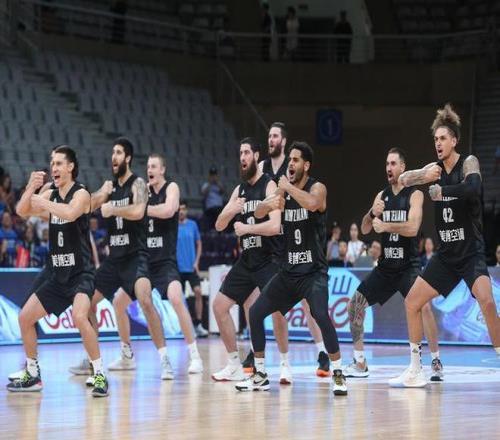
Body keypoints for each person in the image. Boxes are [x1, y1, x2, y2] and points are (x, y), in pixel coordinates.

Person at [390, 104, 500, 388]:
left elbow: (473, 189)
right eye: (435, 139)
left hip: (470, 251)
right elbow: (403, 179)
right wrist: (419, 175)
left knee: (487, 302)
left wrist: (442, 191)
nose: (438, 143)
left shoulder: (469, 163)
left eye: (443, 138)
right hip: (446, 255)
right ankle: (415, 369)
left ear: (454, 140)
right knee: (412, 302)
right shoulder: (435, 170)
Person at [236, 141, 347, 395]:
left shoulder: (317, 187)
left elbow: (312, 203)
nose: (291, 164)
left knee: (320, 315)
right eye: (290, 160)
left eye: (295, 160)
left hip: (313, 272)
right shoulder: (284, 191)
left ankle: (339, 373)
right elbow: (260, 213)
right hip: (288, 272)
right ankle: (260, 374)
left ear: (306, 165)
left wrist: (287, 188)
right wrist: (272, 201)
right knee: (255, 313)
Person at [8, 145, 108, 397]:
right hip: (58, 274)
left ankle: (99, 374)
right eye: (52, 163)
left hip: (80, 273)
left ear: (71, 167)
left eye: (59, 163)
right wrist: (31, 188)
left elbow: (71, 213)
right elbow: (21, 211)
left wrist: (43, 201)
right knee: (24, 318)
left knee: (79, 316)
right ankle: (33, 374)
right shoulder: (51, 194)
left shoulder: (81, 193)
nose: (54, 168)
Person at [70, 137, 172, 381]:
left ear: (127, 158)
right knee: (86, 302)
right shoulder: (110, 187)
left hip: (136, 256)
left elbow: (138, 211)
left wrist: (113, 209)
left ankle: (164, 359)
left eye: (118, 153)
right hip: (113, 260)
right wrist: (100, 194)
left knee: (145, 299)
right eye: (112, 153)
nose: (113, 157)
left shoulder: (138, 184)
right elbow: (86, 206)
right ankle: (95, 360)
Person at [345, 148, 442, 382]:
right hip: (386, 267)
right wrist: (372, 213)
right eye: (387, 164)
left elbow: (413, 228)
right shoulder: (382, 195)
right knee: (354, 306)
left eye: (393, 163)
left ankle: (436, 360)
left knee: (424, 308)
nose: (388, 168)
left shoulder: (414, 194)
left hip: (408, 266)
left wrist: (386, 226)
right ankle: (360, 362)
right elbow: (365, 228)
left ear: (403, 167)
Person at [105, 154, 204, 375]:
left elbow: (168, 210)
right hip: (143, 261)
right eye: (148, 166)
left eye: (154, 166)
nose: (149, 170)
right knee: (118, 303)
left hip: (165, 261)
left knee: (177, 298)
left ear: (162, 169)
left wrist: (141, 209)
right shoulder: (142, 191)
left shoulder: (171, 188)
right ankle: (126, 356)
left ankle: (195, 356)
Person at [251, 122, 330, 378]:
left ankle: (322, 351)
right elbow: (260, 207)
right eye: (269, 136)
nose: (271, 139)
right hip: (274, 247)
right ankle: (277, 361)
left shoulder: (291, 168)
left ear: (283, 141)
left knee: (310, 305)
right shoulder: (262, 167)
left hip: (299, 244)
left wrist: (285, 189)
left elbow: (310, 200)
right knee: (267, 307)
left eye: (275, 136)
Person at [212, 138, 293, 382]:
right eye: (240, 153)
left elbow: (275, 226)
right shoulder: (239, 190)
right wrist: (230, 210)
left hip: (269, 259)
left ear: (257, 156)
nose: (243, 158)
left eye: (247, 152)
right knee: (219, 307)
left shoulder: (269, 185)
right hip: (247, 260)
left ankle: (285, 364)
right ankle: (234, 364)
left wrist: (247, 228)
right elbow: (219, 225)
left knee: (277, 311)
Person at [177, 200, 208, 337]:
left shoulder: (193, 225)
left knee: (198, 292)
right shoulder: (172, 226)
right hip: (178, 268)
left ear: (187, 210)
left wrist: (196, 262)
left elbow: (199, 243)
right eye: (179, 209)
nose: (181, 211)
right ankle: (184, 326)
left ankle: (198, 324)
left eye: (183, 209)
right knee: (179, 298)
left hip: (191, 267)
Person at [201, 166, 225, 231]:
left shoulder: (219, 184)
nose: (213, 177)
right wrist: (210, 183)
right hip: (210, 208)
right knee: (215, 213)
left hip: (219, 207)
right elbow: (204, 193)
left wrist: (217, 182)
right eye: (212, 175)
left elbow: (223, 191)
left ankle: (220, 231)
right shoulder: (206, 185)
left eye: (215, 175)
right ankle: (213, 229)